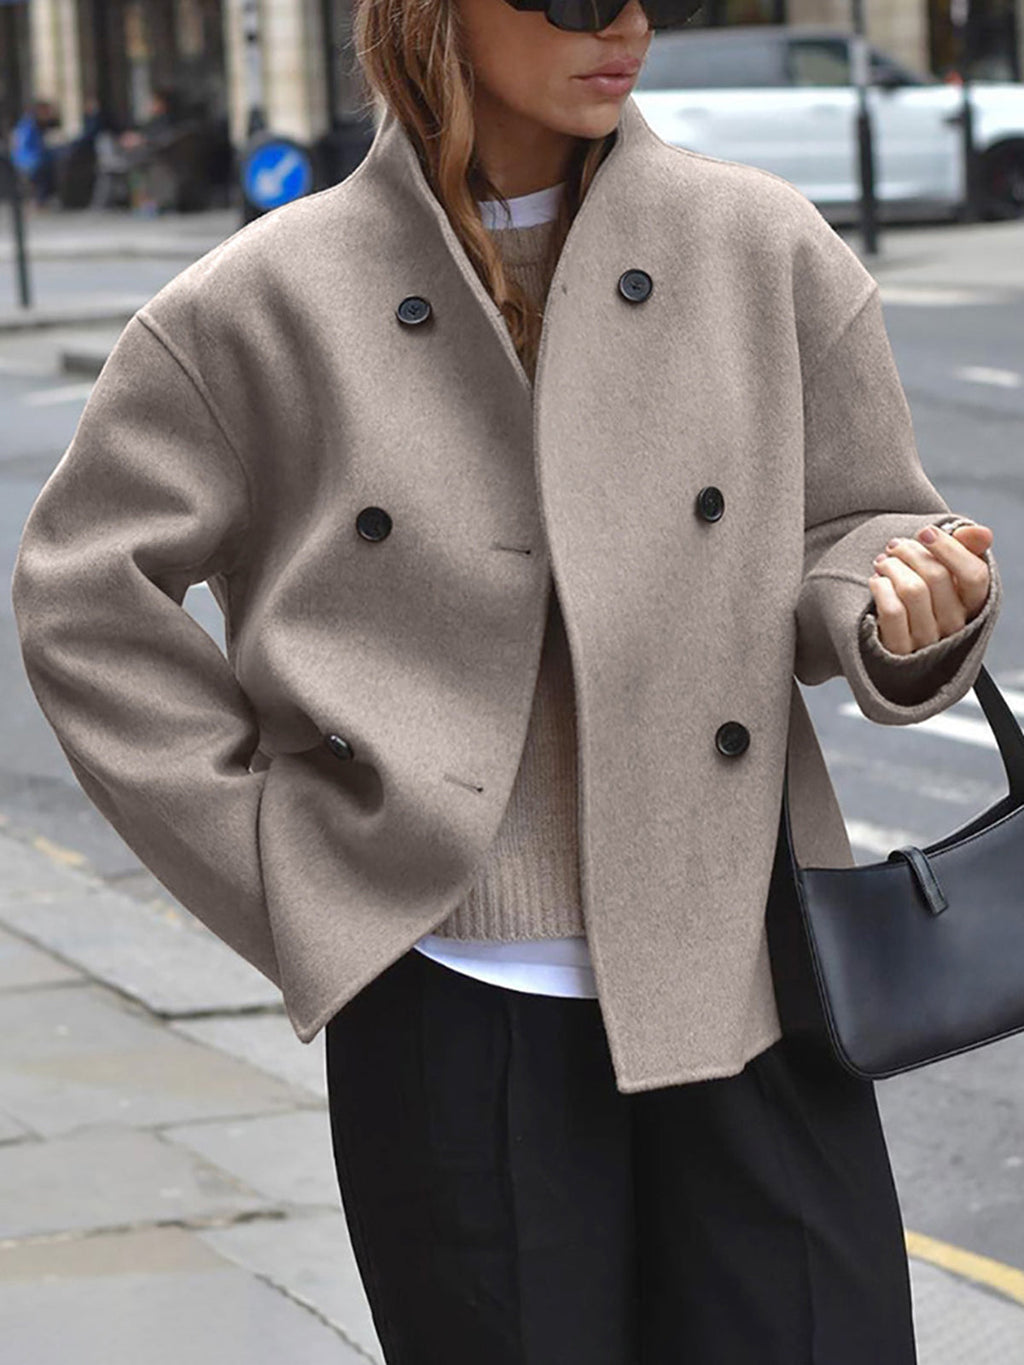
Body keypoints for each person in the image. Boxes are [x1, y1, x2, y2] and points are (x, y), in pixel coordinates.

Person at [9, 0, 1003, 1360]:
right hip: (452, 999)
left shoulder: (761, 247)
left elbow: (861, 516)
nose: (630, 26)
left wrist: (902, 600)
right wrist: (288, 863)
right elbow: (81, 593)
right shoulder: (264, 302)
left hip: (748, 969)